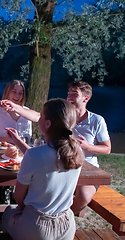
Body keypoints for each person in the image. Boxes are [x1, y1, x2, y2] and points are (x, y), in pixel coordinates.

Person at [2, 98, 84, 240]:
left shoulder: (35, 155)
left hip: (37, 228)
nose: (38, 119)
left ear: (47, 124)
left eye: (41, 115)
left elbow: (19, 197)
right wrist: (18, 141)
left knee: (8, 211)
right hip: (66, 226)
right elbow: (44, 157)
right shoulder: (76, 152)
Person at [0, 80, 34, 232]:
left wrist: (7, 138)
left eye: (20, 93)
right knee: (4, 183)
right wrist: (10, 139)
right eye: (14, 91)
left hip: (21, 154)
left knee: (29, 180)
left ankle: (24, 216)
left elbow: (28, 138)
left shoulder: (26, 112)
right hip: (2, 154)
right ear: (7, 92)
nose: (17, 96)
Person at [66, 81, 111, 215]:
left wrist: (88, 146)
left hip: (88, 170)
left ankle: (64, 218)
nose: (69, 98)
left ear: (86, 98)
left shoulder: (97, 120)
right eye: (69, 94)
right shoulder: (65, 118)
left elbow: (107, 149)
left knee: (84, 196)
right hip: (66, 166)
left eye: (74, 94)